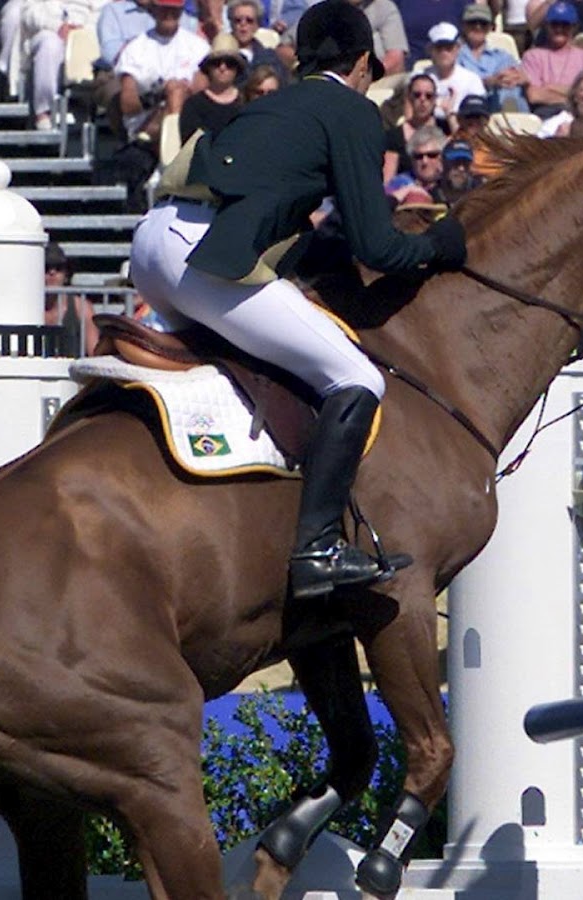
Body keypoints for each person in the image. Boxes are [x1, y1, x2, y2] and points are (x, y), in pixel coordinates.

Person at [127, 0, 467, 600]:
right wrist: (441, 240)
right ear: (364, 61)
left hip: (154, 242)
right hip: (203, 257)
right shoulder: (353, 112)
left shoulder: (275, 101)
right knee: (357, 378)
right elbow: (377, 244)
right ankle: (315, 549)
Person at [109, 0, 209, 210]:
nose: (168, 14)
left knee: (177, 93)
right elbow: (127, 104)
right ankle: (168, 166)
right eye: (164, 8)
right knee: (174, 92)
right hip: (145, 125)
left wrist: (179, 93)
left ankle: (167, 165)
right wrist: (161, 96)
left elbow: (202, 91)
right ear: (153, 10)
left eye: (174, 9)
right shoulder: (136, 49)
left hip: (186, 123)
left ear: (181, 10)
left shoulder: (197, 46)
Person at [15, 0, 104, 131]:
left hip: (86, 32)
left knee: (90, 44)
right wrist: (57, 26)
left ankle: (91, 105)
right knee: (50, 46)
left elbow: (104, 12)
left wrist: (81, 30)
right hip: (49, 30)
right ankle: (44, 111)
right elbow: (29, 13)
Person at [523, 1, 583, 117]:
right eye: (555, 24)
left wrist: (549, 87)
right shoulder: (532, 56)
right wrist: (574, 94)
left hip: (581, 116)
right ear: (546, 26)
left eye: (565, 24)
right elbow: (534, 95)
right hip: (546, 114)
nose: (559, 29)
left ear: (574, 27)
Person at [459, 3, 527, 113]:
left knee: (511, 90)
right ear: (463, 25)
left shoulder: (502, 56)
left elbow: (515, 77)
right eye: (473, 23)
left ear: (490, 27)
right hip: (468, 109)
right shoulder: (454, 55)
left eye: (483, 23)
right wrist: (488, 82)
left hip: (499, 106)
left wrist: (516, 78)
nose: (478, 27)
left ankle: (514, 123)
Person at [178, 34, 245, 145]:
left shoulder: (247, 101)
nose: (222, 68)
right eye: (216, 62)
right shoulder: (193, 105)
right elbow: (191, 146)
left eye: (230, 63)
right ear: (208, 67)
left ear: (237, 68)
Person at [386, 74, 449, 179]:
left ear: (435, 99)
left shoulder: (445, 128)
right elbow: (388, 181)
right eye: (417, 95)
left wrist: (450, 115)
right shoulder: (394, 137)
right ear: (409, 98)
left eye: (428, 96)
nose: (423, 100)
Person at [42, 241, 97, 356]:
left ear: (66, 274)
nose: (52, 273)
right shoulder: (27, 307)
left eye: (58, 268)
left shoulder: (82, 308)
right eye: (46, 268)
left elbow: (94, 354)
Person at [225, 0, 286, 85]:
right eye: (238, 20)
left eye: (249, 20)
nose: (243, 24)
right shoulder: (222, 57)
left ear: (257, 25)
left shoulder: (270, 58)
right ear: (231, 24)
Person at [431, 138, 484, 203]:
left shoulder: (480, 195)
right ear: (443, 163)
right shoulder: (431, 197)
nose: (461, 168)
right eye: (456, 162)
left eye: (465, 163)